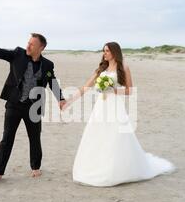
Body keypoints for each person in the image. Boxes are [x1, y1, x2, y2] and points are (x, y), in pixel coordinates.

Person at [63, 42, 176, 187]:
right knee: (98, 135)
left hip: (115, 106)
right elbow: (86, 87)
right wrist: (68, 102)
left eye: (108, 51)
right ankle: (96, 167)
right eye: (104, 51)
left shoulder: (123, 68)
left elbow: (130, 91)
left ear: (115, 52)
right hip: (101, 107)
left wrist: (113, 90)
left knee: (116, 136)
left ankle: (116, 170)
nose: (105, 53)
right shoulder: (101, 69)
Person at [0, 33, 66, 180]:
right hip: (14, 104)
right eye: (28, 42)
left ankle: (36, 167)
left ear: (41, 47)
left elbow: (52, 81)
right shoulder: (18, 54)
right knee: (7, 138)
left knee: (35, 138)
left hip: (33, 107)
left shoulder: (48, 65)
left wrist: (60, 98)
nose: (28, 46)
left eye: (32, 44)